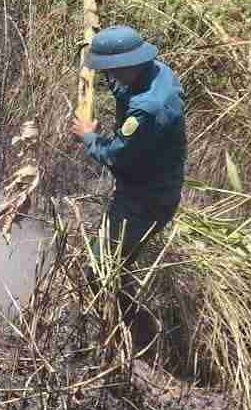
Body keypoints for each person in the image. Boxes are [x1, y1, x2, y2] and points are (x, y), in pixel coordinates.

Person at [69, 24, 186, 344]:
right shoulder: (156, 70)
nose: (109, 76)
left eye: (111, 70)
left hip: (145, 201)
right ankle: (122, 328)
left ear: (127, 65)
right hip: (148, 189)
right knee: (114, 267)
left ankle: (138, 336)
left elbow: (117, 155)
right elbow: (121, 85)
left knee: (99, 271)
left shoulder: (147, 110)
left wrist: (88, 136)